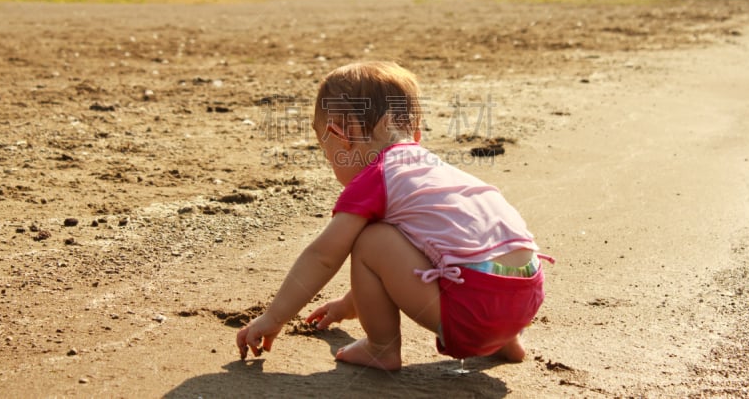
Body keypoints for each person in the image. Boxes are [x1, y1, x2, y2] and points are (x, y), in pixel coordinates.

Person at [236, 61, 551, 370]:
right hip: (526, 296)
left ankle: (381, 348)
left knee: (369, 241)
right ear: (414, 133)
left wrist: (274, 316)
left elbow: (322, 257)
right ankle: (507, 340)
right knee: (433, 243)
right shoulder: (432, 171)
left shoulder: (376, 176)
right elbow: (410, 259)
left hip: (473, 312)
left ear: (340, 136)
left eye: (329, 155)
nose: (333, 167)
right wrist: (348, 306)